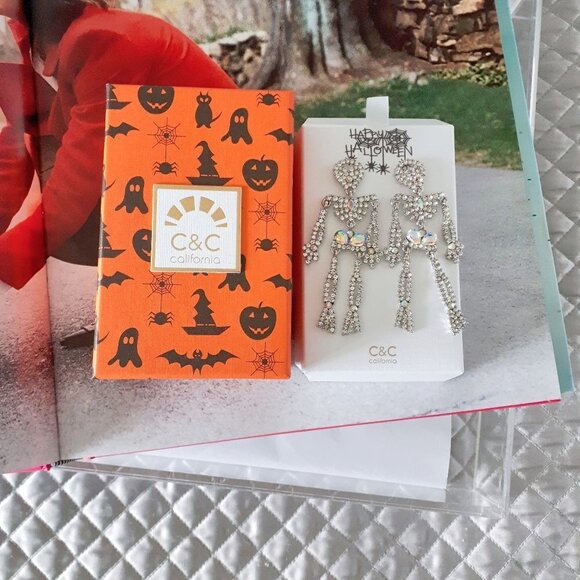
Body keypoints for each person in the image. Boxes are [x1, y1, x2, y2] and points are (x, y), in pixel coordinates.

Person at [0, 0, 236, 291]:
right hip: (170, 179)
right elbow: (26, 132)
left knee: (62, 202)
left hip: (217, 198)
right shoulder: (42, 35)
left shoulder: (99, 38)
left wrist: (9, 259)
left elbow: (80, 175)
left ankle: (176, 288)